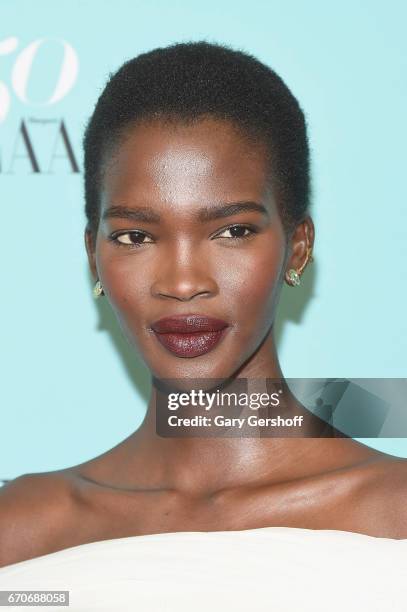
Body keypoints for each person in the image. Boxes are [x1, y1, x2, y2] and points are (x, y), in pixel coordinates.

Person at [1, 40, 407, 572]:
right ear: (93, 257)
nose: (183, 282)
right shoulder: (22, 530)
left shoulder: (393, 512)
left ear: (298, 246)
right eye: (134, 237)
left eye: (232, 231)